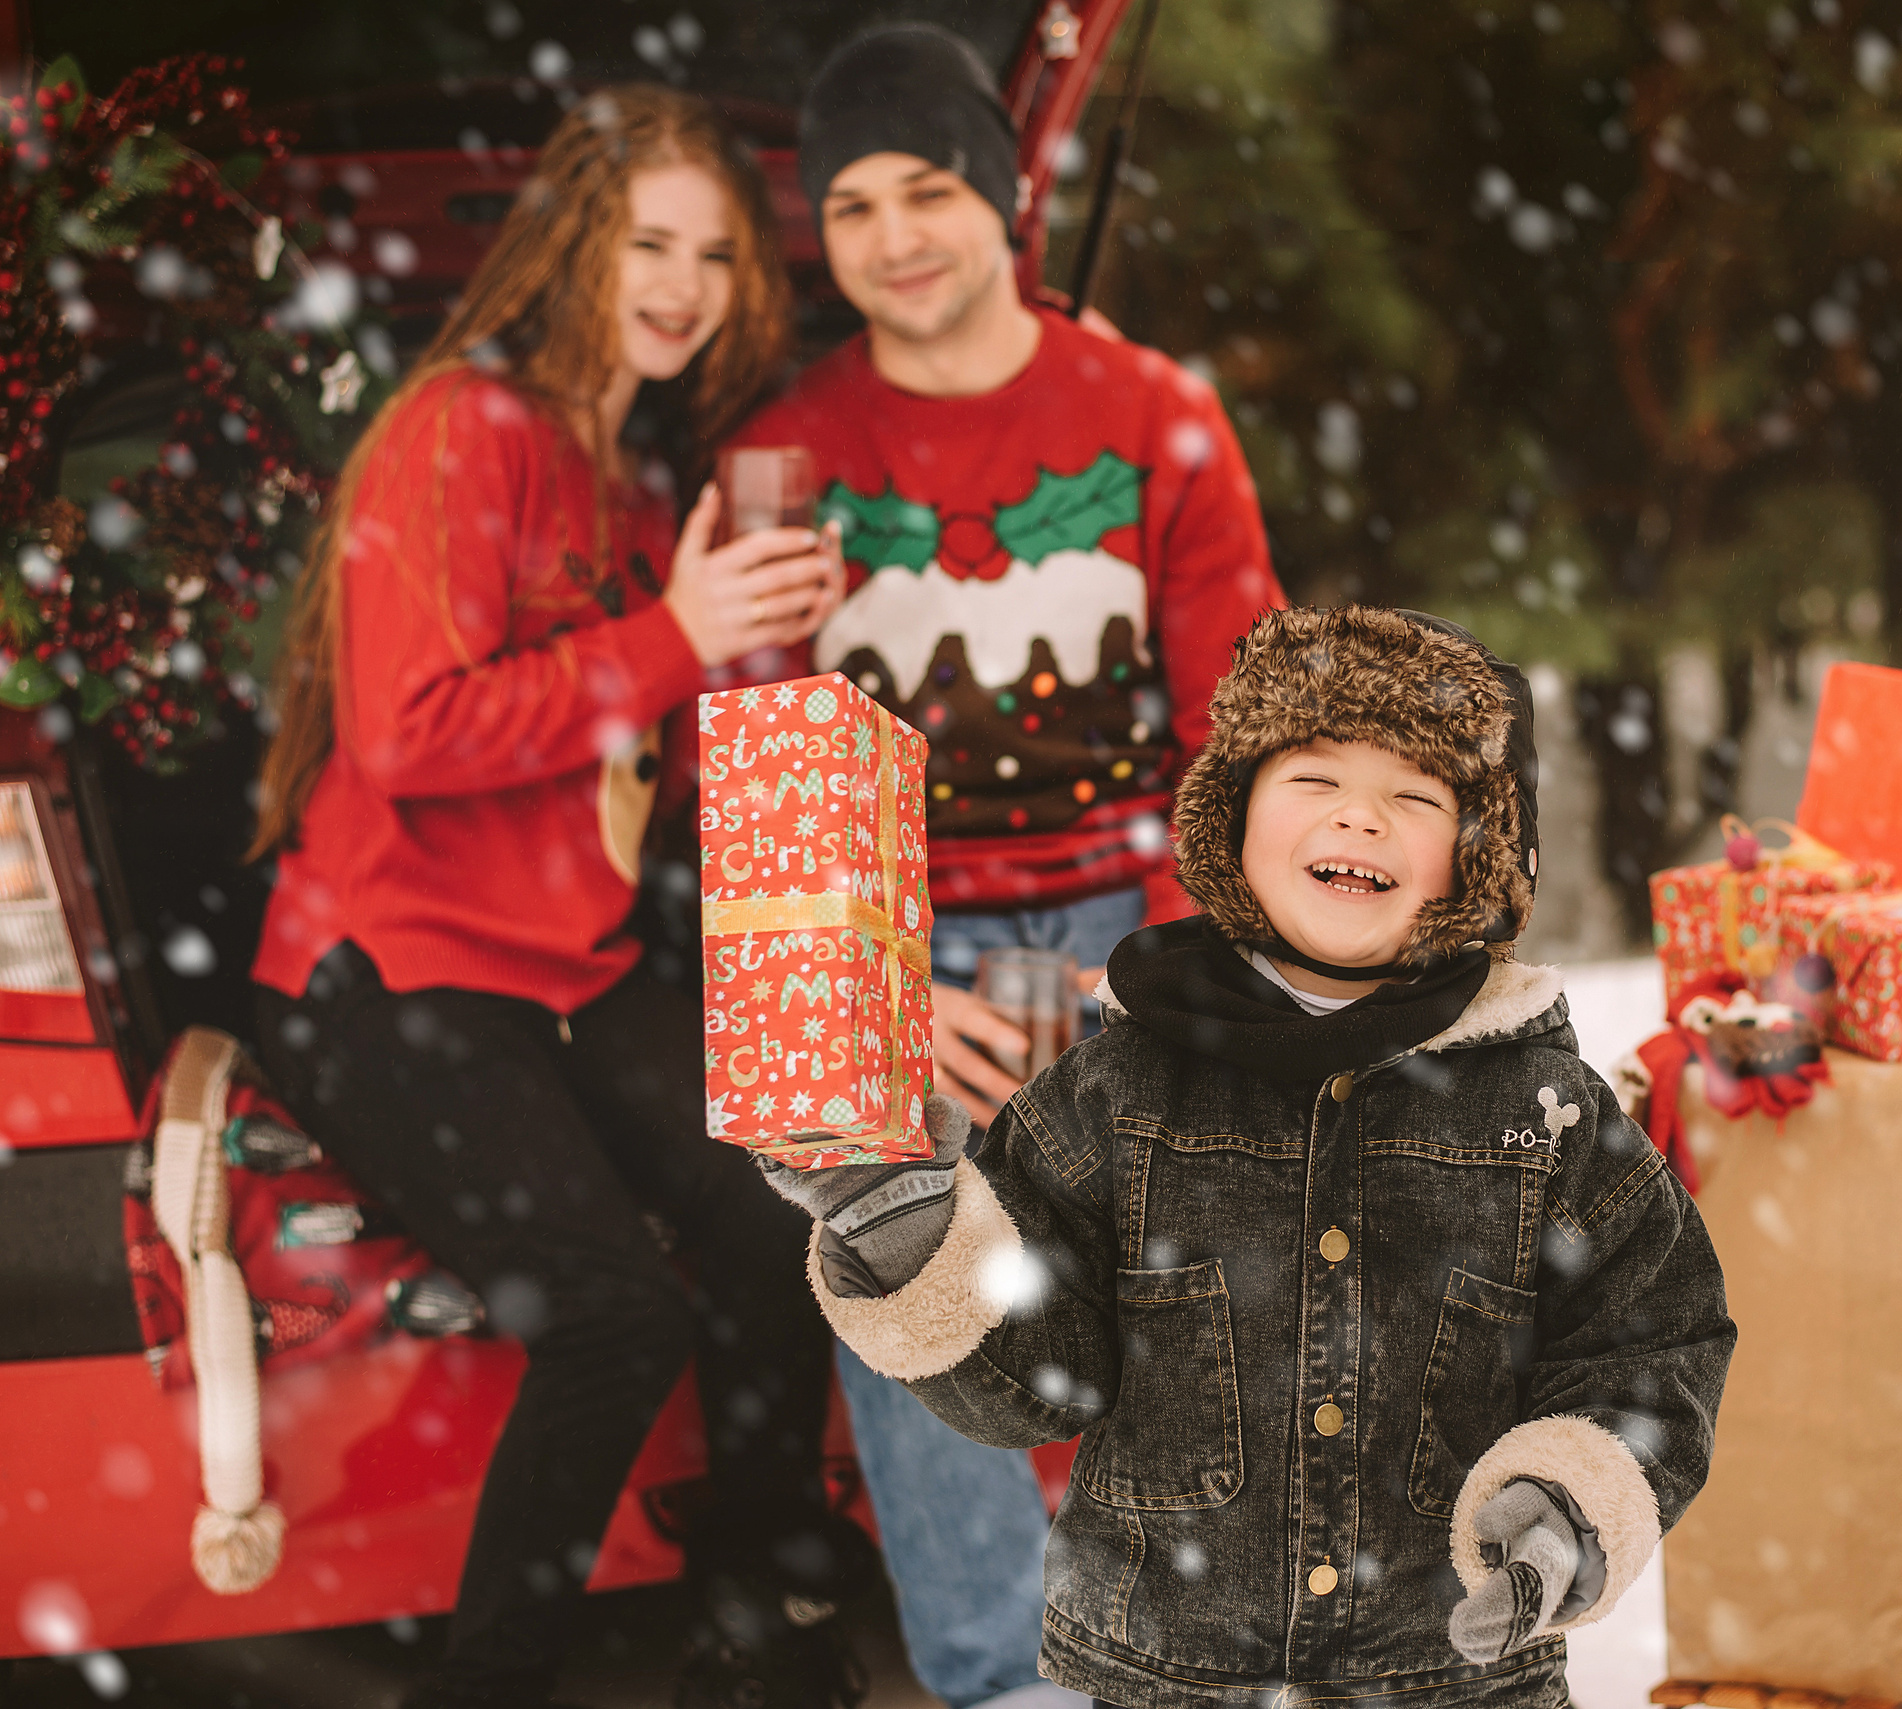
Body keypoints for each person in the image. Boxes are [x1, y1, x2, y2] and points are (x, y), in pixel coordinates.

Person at [761, 605, 1737, 1708]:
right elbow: (1035, 1376)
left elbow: (1654, 1337)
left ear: (1476, 859)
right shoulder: (1120, 1087)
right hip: (1168, 1677)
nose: (1360, 817)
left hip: (1454, 1681)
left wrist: (1565, 1504)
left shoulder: (1541, 1108)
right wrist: (909, 1229)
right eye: (1314, 780)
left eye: (1415, 796)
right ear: (1233, 818)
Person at [249, 87, 860, 1709]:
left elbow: (645, 766)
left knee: (784, 1191)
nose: (682, 282)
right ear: (573, 247)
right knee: (612, 1314)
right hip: (389, 966)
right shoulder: (467, 427)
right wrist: (672, 634)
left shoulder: (645, 490)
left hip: (563, 974)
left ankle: (758, 1604)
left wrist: (763, 630)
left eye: (717, 255)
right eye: (647, 241)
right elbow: (408, 731)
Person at [726, 24, 1283, 1708]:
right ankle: (1002, 1675)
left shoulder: (1150, 419)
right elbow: (775, 779)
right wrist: (904, 996)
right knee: (907, 1226)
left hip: (1129, 901)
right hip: (902, 918)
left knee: (1205, 1224)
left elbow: (1239, 730)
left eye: (926, 189)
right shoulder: (787, 449)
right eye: (851, 205)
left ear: (1005, 192)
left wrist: (1157, 966)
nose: (893, 235)